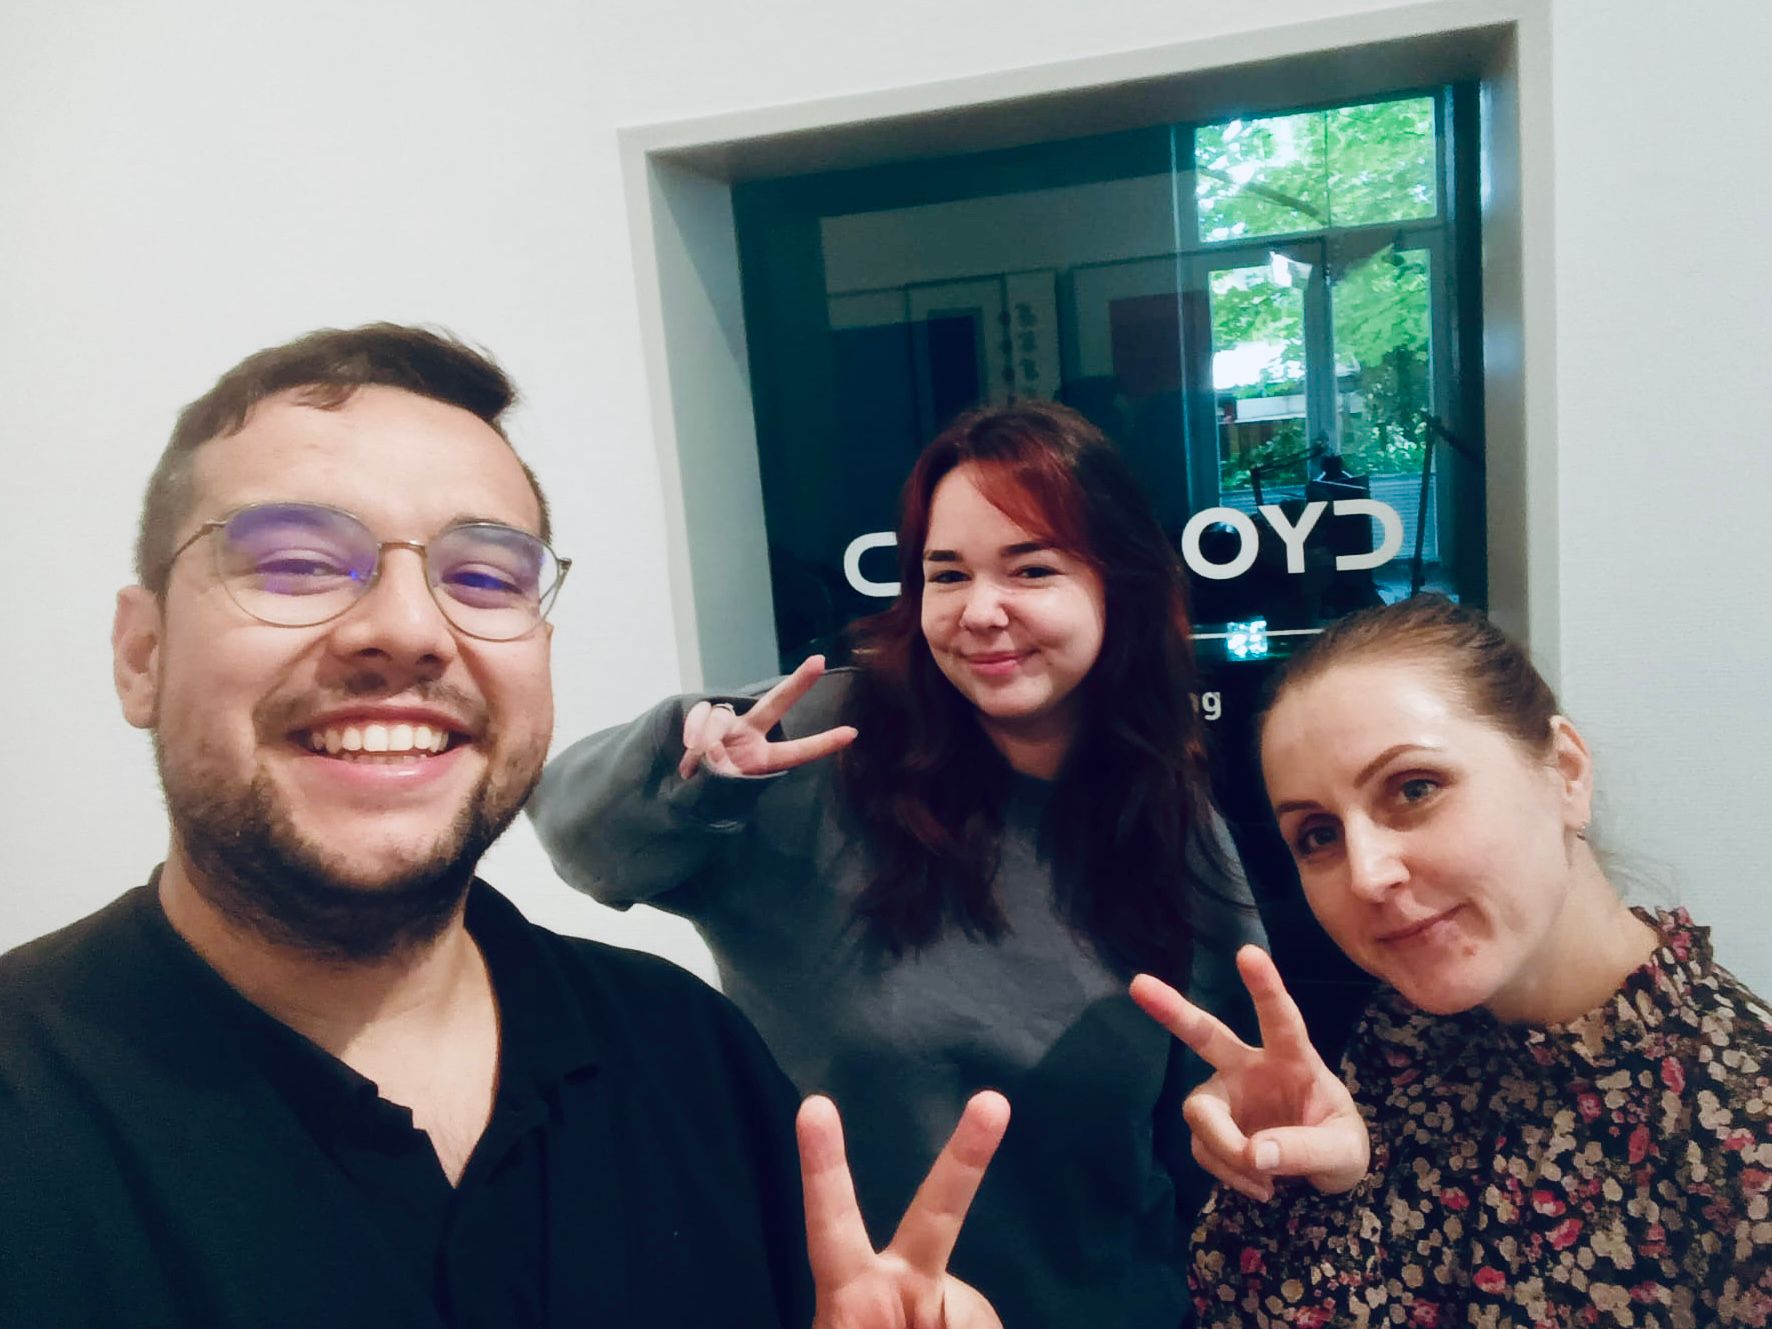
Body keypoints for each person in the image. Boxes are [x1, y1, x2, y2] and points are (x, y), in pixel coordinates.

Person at [0, 323, 1011, 1329]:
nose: (406, 630)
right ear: (141, 654)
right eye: (298, 563)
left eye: (483, 578)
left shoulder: (684, 1053)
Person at [529, 400, 1268, 1328]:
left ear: (1120, 583)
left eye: (1031, 568)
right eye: (946, 573)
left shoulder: (1168, 822)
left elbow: (1216, 1118)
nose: (981, 611)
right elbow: (578, 837)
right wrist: (696, 773)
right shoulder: (825, 747)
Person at [1131, 594, 1772, 1326]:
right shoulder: (1403, 1037)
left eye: (1414, 789)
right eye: (1318, 835)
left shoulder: (1742, 1131)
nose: (1367, 875)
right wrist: (1304, 1186)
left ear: (1565, 772)